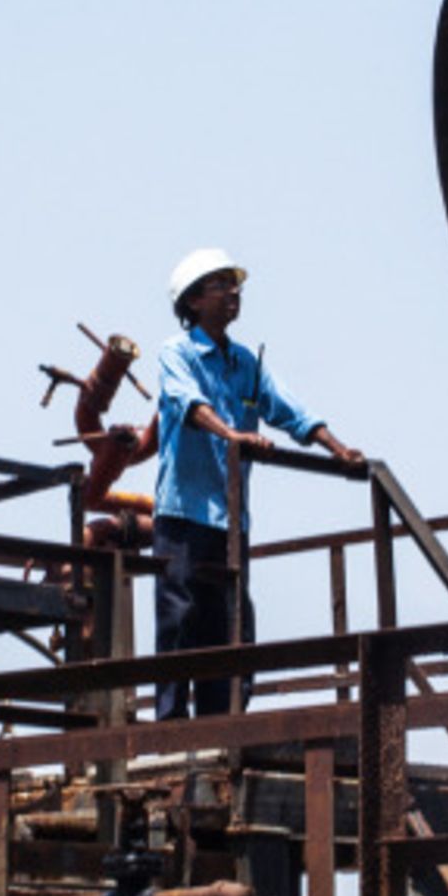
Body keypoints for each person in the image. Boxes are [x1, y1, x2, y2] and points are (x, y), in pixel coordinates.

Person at [152, 249, 363, 719]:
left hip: (230, 520)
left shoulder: (245, 363)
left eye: (235, 284)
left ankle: (223, 727)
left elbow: (289, 409)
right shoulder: (176, 353)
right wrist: (233, 436)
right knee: (179, 620)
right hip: (183, 514)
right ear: (193, 301)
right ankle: (170, 730)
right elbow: (190, 403)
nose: (233, 293)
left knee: (230, 626)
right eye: (221, 285)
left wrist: (338, 449)